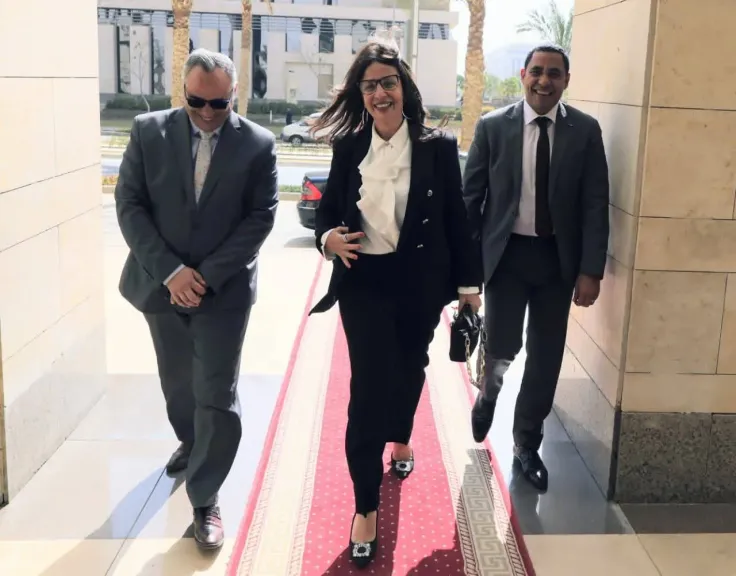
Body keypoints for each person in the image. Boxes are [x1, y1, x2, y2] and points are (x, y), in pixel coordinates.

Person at [309, 37, 482, 568]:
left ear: (404, 87)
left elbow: (456, 220)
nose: (380, 93)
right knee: (366, 389)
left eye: (388, 82)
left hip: (419, 284)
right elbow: (328, 212)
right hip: (363, 282)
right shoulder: (348, 147)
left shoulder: (436, 147)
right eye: (370, 85)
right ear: (360, 93)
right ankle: (365, 505)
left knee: (409, 370)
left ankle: (401, 435)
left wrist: (468, 289)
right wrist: (327, 239)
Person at [115, 48, 278, 549]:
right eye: (197, 101)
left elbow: (261, 217)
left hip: (222, 292)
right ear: (182, 91)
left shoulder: (258, 144)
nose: (208, 113)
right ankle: (192, 441)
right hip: (159, 284)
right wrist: (171, 273)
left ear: (235, 95)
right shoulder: (147, 131)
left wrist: (204, 276)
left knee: (216, 393)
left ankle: (205, 497)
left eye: (219, 104)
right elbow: (130, 204)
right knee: (179, 385)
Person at [462, 44, 610, 492]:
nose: (545, 81)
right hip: (506, 258)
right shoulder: (492, 127)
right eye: (537, 71)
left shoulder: (585, 131)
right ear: (524, 74)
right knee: (502, 348)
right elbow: (471, 201)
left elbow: (595, 204)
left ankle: (527, 443)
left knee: (545, 358)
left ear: (566, 80)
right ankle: (488, 394)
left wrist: (591, 269)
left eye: (554, 73)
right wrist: (467, 273)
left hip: (556, 262)